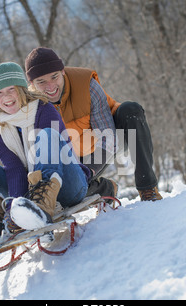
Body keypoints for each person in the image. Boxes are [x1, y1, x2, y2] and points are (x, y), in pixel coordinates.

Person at [0, 62, 91, 246]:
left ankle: (41, 209)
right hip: (31, 192)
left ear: (22, 89)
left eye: (11, 89)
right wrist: (11, 213)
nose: (6, 97)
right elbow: (14, 170)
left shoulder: (44, 110)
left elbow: (56, 152)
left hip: (69, 184)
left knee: (48, 135)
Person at [24, 47, 163, 201]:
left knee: (131, 110)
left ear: (62, 71)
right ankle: (106, 189)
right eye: (41, 82)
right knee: (68, 190)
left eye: (54, 77)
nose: (50, 87)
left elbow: (109, 138)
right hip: (74, 157)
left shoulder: (85, 84)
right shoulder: (30, 106)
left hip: (110, 140)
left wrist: (88, 170)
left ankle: (148, 188)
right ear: (31, 83)